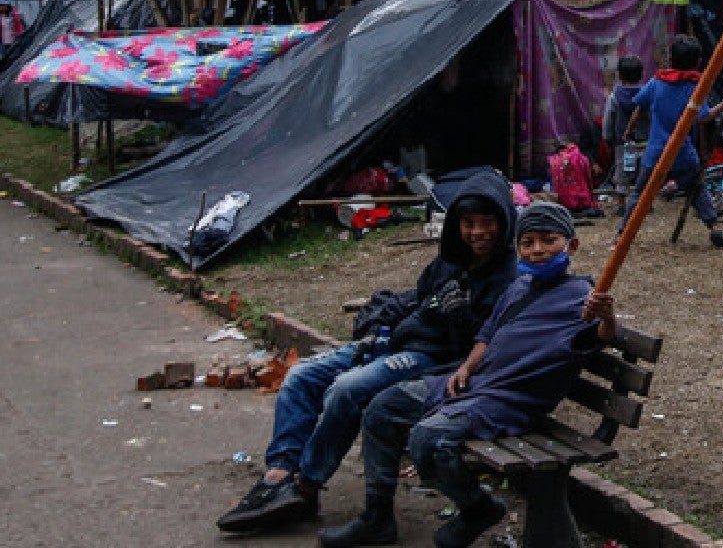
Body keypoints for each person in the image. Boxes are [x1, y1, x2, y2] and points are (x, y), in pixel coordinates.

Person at [215, 171, 518, 533]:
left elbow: (486, 343)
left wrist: (461, 317)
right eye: (469, 223)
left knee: (346, 389)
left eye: (488, 223)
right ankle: (278, 476)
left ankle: (304, 486)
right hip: (396, 343)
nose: (478, 232)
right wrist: (383, 313)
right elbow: (419, 299)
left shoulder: (507, 279)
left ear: (504, 223)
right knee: (300, 377)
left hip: (432, 359)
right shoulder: (450, 260)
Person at [316, 202, 616, 548]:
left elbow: (598, 336)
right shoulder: (518, 288)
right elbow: (487, 336)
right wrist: (465, 368)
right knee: (383, 408)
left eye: (548, 241)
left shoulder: (582, 299)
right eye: (528, 242)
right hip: (477, 385)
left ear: (571, 246)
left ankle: (477, 508)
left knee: (428, 438)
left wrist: (606, 316)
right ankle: (376, 518)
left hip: (510, 401)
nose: (537, 251)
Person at [619, 34, 723, 248]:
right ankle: (714, 226)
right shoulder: (694, 87)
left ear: (671, 59)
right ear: (697, 62)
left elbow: (639, 107)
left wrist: (629, 130)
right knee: (697, 189)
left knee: (639, 193)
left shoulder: (657, 82)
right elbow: (703, 117)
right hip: (683, 154)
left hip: (656, 153)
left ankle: (623, 234)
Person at [601, 54, 648, 211]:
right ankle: (645, 203)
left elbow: (608, 120)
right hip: (645, 141)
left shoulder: (614, 97)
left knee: (622, 173)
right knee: (645, 172)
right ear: (641, 75)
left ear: (620, 76)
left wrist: (608, 139)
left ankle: (621, 204)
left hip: (623, 142)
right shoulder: (647, 95)